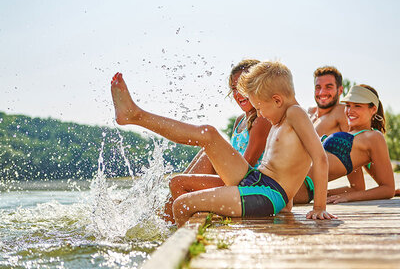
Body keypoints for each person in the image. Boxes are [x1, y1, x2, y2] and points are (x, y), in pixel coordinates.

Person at [110, 61, 336, 227]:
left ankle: (180, 259)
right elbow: (288, 163)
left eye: (260, 107)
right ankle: (135, 115)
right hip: (257, 179)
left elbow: (319, 157)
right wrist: (287, 206)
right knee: (208, 134)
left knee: (182, 205)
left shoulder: (296, 113)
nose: (259, 114)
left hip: (267, 194)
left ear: (277, 99)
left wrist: (319, 208)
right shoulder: (281, 117)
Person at [164, 59, 271, 223]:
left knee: (178, 182)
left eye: (244, 86)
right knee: (206, 153)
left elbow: (246, 168)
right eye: (234, 88)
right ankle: (164, 221)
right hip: (235, 180)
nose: (238, 93)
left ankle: (177, 232)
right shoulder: (240, 121)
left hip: (249, 186)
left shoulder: (261, 120)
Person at [294, 84, 395, 204]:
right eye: (348, 105)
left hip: (300, 185)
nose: (349, 110)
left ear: (373, 109)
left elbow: (388, 189)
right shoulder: (352, 136)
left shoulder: (374, 137)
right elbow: (356, 187)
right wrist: (325, 194)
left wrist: (347, 197)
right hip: (294, 178)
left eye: (357, 106)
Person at [296, 66, 365, 203]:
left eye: (328, 87)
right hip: (285, 171)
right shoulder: (309, 113)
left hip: (301, 184)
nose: (322, 92)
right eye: (318, 87)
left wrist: (322, 193)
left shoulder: (341, 113)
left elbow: (356, 155)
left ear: (340, 90)